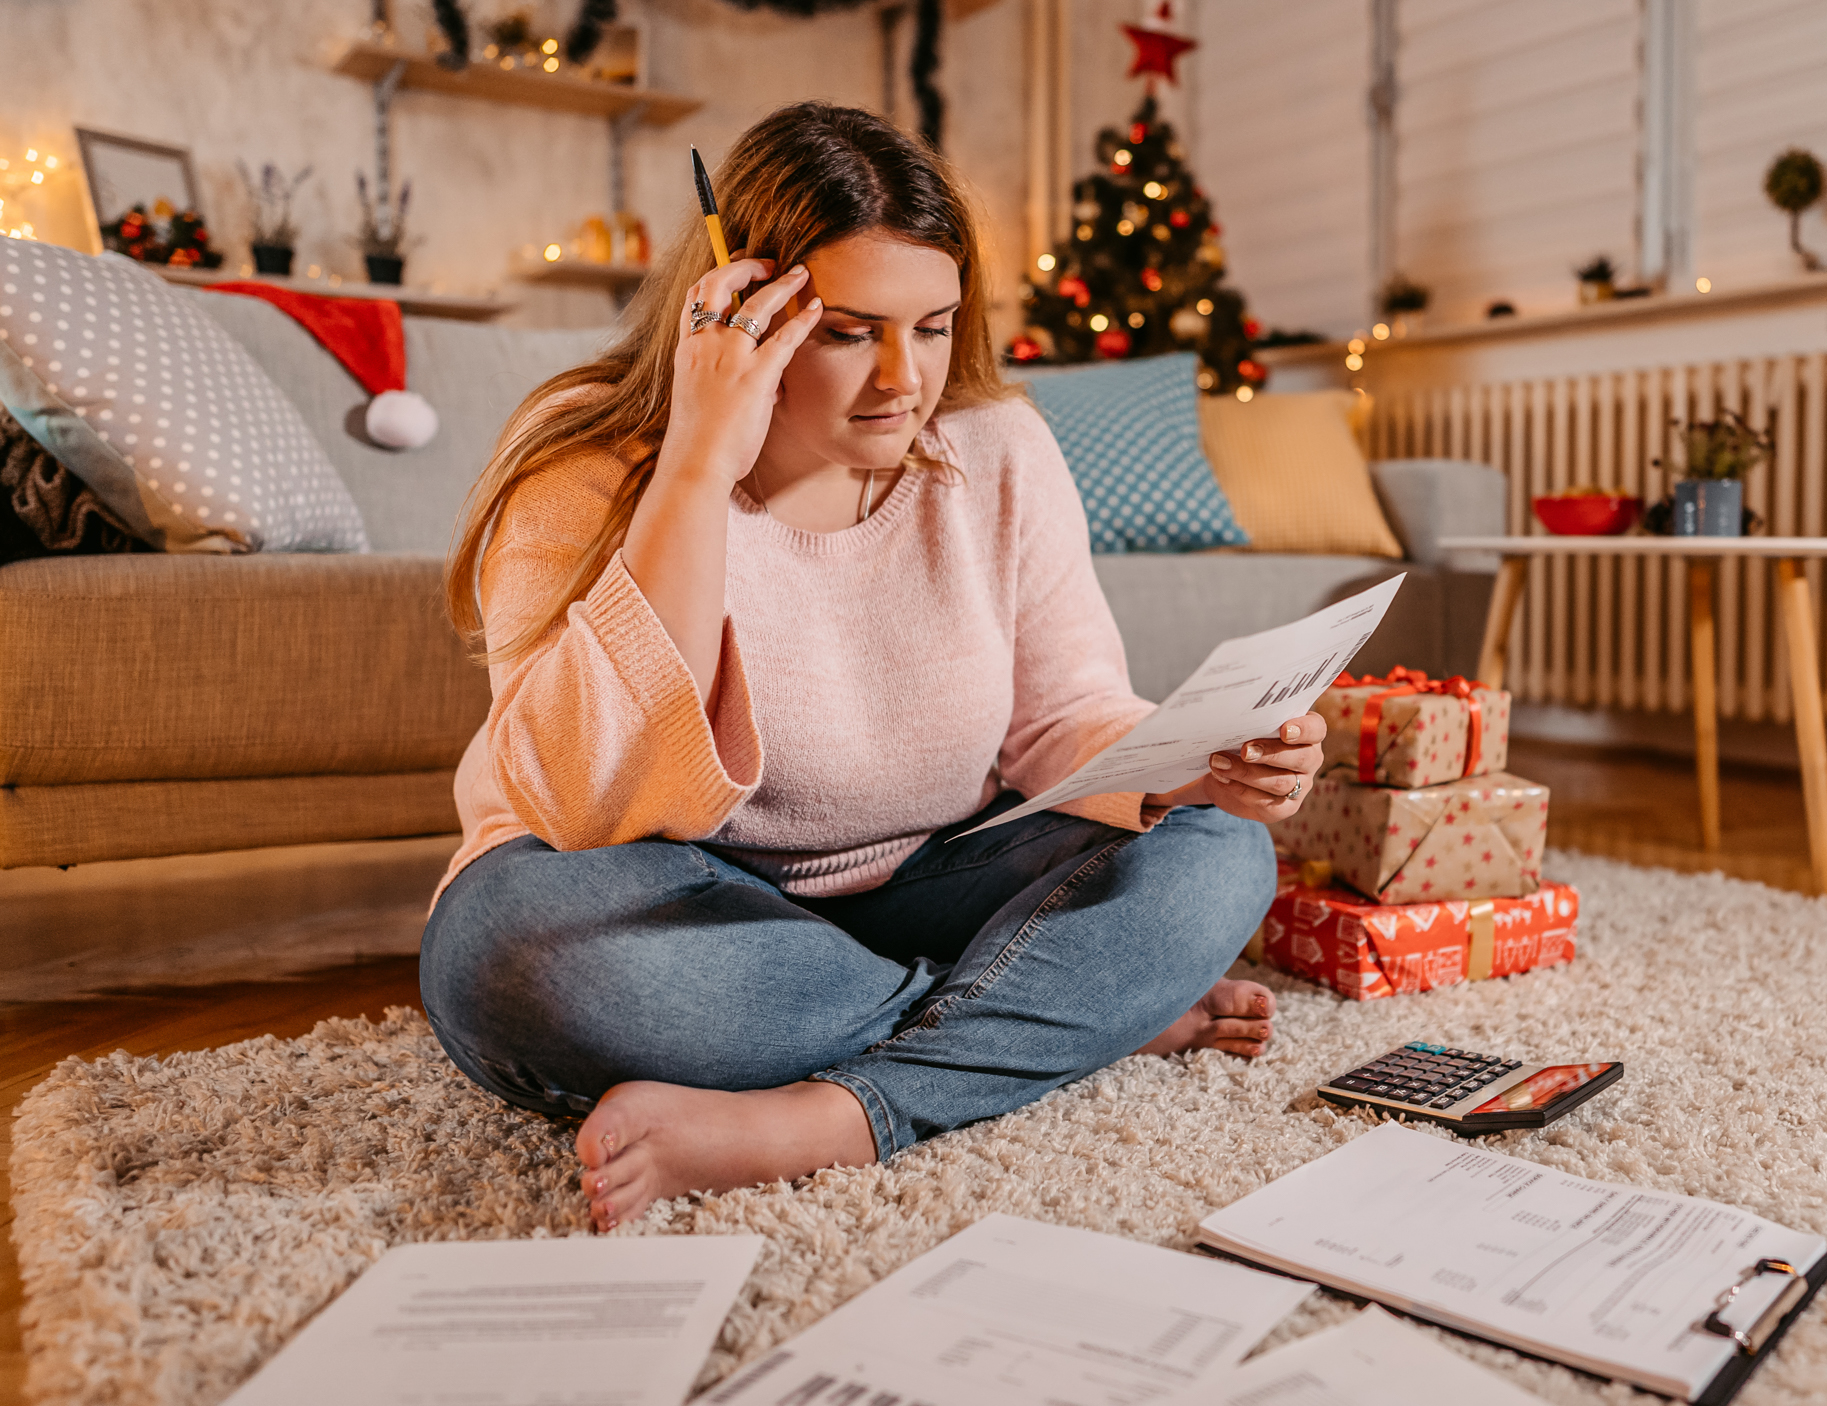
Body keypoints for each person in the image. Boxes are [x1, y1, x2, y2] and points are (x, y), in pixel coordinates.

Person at [420, 103, 1323, 1233]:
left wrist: (1196, 765)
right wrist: (698, 467)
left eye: (934, 327)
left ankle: (832, 1113)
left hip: (938, 873)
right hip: (688, 898)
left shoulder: (999, 448)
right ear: (738, 310)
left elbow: (1067, 718)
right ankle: (1062, 1012)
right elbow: (571, 796)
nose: (905, 379)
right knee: (511, 955)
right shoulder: (587, 461)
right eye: (849, 331)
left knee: (1219, 851)